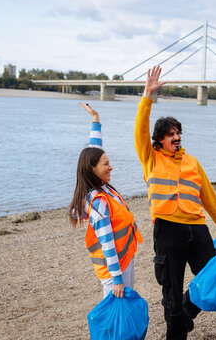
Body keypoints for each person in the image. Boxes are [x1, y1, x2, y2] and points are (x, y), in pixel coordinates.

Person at [134, 66, 216, 340]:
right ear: (160, 140)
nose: (176, 137)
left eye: (178, 132)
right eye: (170, 134)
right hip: (168, 231)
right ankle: (176, 330)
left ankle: (187, 311)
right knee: (171, 290)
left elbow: (209, 198)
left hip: (197, 230)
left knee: (214, 277)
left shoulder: (192, 162)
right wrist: (147, 97)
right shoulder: (151, 158)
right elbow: (140, 130)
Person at [68, 103, 143, 298]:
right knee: (117, 316)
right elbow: (107, 242)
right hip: (114, 269)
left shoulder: (100, 186)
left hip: (122, 261)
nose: (111, 168)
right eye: (106, 164)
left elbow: (94, 151)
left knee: (123, 313)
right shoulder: (98, 201)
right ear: (92, 169)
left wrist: (96, 120)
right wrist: (117, 279)